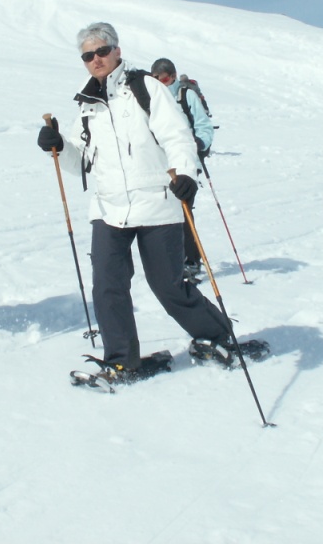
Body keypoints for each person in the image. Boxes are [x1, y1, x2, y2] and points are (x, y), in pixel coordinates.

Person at [37, 23, 257, 381]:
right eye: (88, 55)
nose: (96, 59)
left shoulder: (146, 87)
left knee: (168, 285)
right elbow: (81, 163)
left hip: (156, 200)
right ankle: (121, 360)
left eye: (102, 51)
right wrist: (59, 147)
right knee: (107, 287)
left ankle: (219, 338)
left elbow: (177, 135)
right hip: (108, 207)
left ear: (117, 51)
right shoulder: (87, 105)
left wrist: (185, 173)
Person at [150, 57, 214, 280]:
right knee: (164, 212)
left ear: (173, 76)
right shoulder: (152, 97)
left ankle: (192, 261)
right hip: (160, 163)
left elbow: (204, 126)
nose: (161, 84)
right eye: (156, 80)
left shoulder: (186, 96)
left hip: (185, 163)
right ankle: (172, 259)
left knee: (184, 211)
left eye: (164, 80)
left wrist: (198, 144)